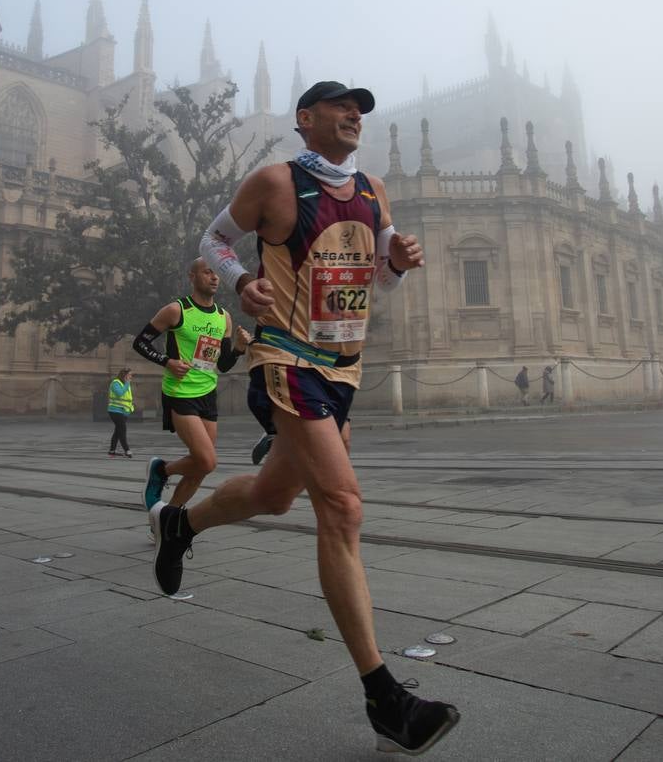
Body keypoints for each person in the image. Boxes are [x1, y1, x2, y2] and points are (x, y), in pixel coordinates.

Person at [152, 80, 458, 754]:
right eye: (340, 105)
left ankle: (182, 522)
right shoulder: (274, 182)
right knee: (342, 508)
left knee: (272, 496)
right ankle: (385, 699)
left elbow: (373, 275)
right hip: (287, 360)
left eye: (360, 109)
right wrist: (240, 282)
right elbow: (214, 238)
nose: (354, 114)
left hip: (342, 368)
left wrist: (397, 264)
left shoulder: (374, 190)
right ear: (306, 118)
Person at [134, 258, 251, 520]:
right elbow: (140, 342)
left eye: (217, 273)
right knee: (207, 460)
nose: (214, 277)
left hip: (208, 394)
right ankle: (161, 470)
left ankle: (168, 521)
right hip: (180, 393)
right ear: (193, 277)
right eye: (207, 272)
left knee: (200, 467)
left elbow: (223, 365)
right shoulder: (177, 310)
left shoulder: (224, 317)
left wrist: (240, 349)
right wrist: (167, 361)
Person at [107, 367, 134, 458]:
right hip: (115, 410)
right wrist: (127, 383)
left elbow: (127, 399)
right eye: (130, 374)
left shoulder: (126, 384)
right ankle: (127, 450)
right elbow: (119, 393)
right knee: (122, 430)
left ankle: (112, 450)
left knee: (118, 432)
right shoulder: (116, 383)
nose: (131, 376)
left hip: (124, 412)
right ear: (125, 375)